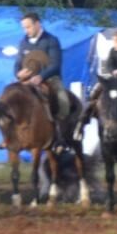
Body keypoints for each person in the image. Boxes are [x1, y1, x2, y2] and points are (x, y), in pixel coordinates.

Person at [15, 12, 73, 148]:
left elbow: (55, 64)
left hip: (50, 79)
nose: (26, 30)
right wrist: (18, 74)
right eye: (24, 28)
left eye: (28, 27)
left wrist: (41, 76)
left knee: (63, 102)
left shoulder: (51, 40)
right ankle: (11, 137)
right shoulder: (23, 42)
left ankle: (60, 136)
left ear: (37, 24)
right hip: (27, 81)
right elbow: (17, 64)